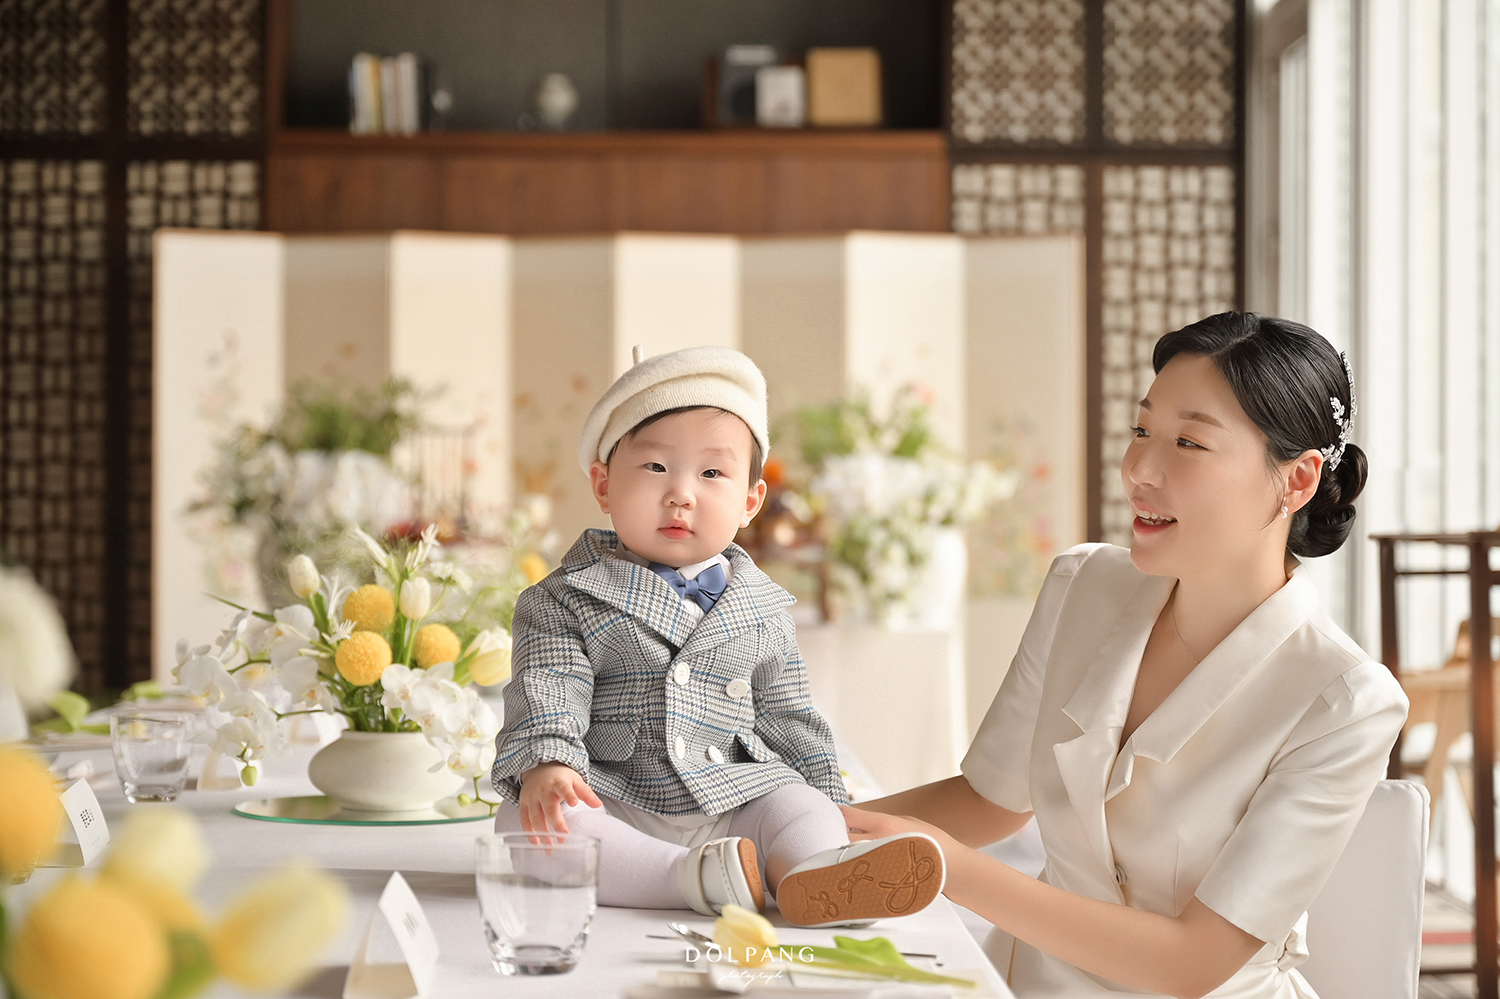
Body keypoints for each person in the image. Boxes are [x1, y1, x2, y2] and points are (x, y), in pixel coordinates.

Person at [842, 313, 1407, 998]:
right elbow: (991, 799)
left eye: (1189, 442)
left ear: (1297, 480)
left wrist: (937, 864)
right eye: (1142, 431)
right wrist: (808, 827)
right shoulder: (1082, 586)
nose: (1139, 469)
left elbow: (1191, 962)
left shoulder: (1344, 700)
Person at [491, 345, 943, 927]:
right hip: (617, 795)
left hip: (733, 797)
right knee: (530, 823)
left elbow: (789, 715)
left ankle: (818, 871)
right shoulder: (564, 598)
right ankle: (686, 877)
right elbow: (549, 685)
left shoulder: (763, 607)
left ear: (750, 501)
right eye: (656, 468)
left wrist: (830, 800)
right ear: (603, 485)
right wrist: (550, 763)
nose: (681, 494)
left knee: (797, 806)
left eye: (712, 473)